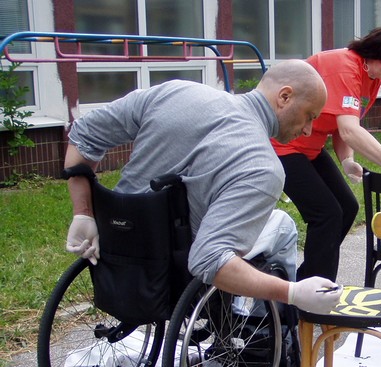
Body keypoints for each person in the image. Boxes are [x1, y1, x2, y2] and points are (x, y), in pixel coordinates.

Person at [64, 59, 341, 315]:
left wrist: (83, 213)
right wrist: (292, 293)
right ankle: (264, 334)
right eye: (309, 116)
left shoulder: (174, 92)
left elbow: (84, 134)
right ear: (284, 97)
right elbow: (209, 260)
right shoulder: (263, 167)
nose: (308, 129)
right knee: (283, 227)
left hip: (118, 247)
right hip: (176, 271)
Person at [272, 23, 381, 281]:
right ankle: (315, 292)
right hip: (281, 144)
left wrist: (347, 159)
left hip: (308, 146)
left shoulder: (372, 78)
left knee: (347, 207)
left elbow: (341, 125)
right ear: (378, 49)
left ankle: (303, 283)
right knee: (327, 214)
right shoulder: (345, 67)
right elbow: (350, 130)